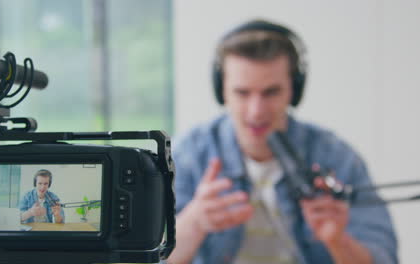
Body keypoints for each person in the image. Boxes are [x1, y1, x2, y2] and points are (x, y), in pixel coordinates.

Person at [167, 19, 398, 264]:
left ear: (294, 90)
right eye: (242, 93)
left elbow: (384, 258)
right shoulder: (188, 154)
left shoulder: (336, 157)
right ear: (221, 90)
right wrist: (193, 222)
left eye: (271, 92)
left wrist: (337, 241)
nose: (256, 111)